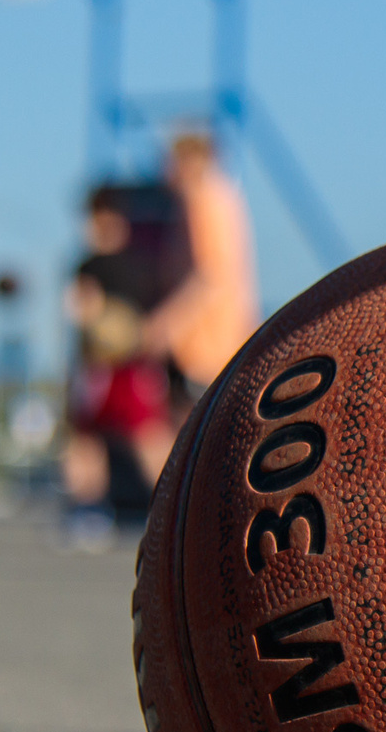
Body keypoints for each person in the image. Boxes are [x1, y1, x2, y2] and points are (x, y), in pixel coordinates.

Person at [60, 187, 173, 547]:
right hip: (95, 367)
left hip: (132, 366)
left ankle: (174, 508)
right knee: (85, 440)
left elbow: (152, 321)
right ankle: (88, 509)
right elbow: (77, 309)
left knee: (149, 436)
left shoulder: (139, 265)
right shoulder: (85, 264)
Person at [145, 131, 259, 412]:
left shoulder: (203, 198)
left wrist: (166, 326)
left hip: (207, 349)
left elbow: (210, 275)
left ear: (190, 161)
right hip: (216, 344)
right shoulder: (219, 196)